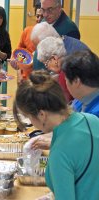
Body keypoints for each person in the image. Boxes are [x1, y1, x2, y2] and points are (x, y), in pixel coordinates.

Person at [14, 70, 99, 200]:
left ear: (41, 115)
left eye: (28, 117)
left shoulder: (60, 152)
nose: (31, 122)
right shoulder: (91, 120)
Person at [37, 36, 89, 102]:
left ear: (54, 59)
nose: (47, 68)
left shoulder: (65, 74)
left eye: (46, 64)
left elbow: (64, 104)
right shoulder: (76, 60)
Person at [62, 49, 99, 117]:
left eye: (66, 79)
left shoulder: (94, 117)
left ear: (76, 81)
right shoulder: (81, 98)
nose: (66, 83)